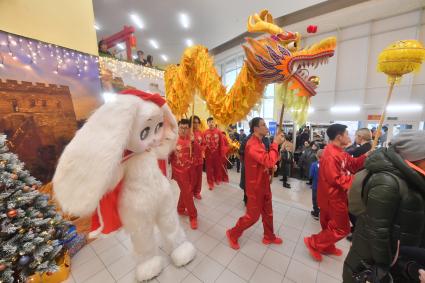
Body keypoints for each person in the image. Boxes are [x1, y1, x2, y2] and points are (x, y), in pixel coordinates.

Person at [343, 130, 425, 283]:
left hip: (403, 259)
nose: (351, 137)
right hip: (376, 260)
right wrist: (386, 265)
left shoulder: (412, 179)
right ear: (416, 156)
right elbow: (377, 231)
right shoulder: (386, 182)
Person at [304, 123, 367, 262]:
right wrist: (357, 179)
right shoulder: (331, 155)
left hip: (332, 196)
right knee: (342, 228)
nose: (349, 136)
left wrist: (366, 156)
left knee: (329, 224)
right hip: (333, 197)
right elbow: (335, 179)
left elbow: (353, 164)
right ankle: (314, 242)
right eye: (346, 133)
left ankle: (326, 246)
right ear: (339, 137)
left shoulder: (340, 152)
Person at [226, 117, 285, 250]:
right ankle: (232, 233)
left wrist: (270, 168)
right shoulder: (252, 145)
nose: (266, 127)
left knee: (268, 212)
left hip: (264, 184)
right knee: (252, 216)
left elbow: (264, 162)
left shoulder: (261, 143)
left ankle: (269, 236)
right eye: (263, 125)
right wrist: (275, 143)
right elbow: (269, 160)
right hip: (255, 186)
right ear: (256, 129)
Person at [170, 119, 198, 229]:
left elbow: (198, 154)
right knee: (187, 193)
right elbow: (167, 155)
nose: (183, 130)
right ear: (178, 128)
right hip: (179, 172)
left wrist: (194, 143)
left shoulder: (191, 140)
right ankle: (193, 216)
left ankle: (180, 209)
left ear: (189, 129)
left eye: (186, 128)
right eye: (181, 127)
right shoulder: (173, 141)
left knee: (186, 191)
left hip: (190, 171)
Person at [345, 127, 372, 241]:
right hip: (363, 179)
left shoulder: (361, 150)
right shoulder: (368, 147)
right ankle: (356, 227)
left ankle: (357, 230)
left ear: (360, 137)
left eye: (356, 136)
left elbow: (349, 156)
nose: (354, 138)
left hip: (359, 180)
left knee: (352, 206)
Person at [203, 117, 224, 190]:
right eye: (209, 122)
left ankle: (217, 179)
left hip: (217, 154)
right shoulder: (205, 132)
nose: (211, 123)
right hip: (208, 154)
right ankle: (210, 183)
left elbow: (221, 143)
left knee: (217, 167)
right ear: (207, 123)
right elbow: (203, 144)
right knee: (209, 169)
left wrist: (222, 153)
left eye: (212, 122)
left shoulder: (218, 132)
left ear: (214, 123)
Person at [189, 115, 204, 200]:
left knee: (199, 177)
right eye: (194, 122)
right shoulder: (188, 133)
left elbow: (204, 145)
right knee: (192, 177)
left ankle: (197, 192)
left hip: (200, 159)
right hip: (191, 159)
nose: (196, 124)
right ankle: (190, 192)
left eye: (198, 122)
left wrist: (200, 148)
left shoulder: (200, 133)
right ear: (191, 123)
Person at [309, 149, 323, 220]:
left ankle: (316, 213)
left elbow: (311, 175)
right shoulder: (327, 165)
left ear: (317, 156)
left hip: (316, 185)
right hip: (324, 187)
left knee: (315, 199)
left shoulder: (314, 165)